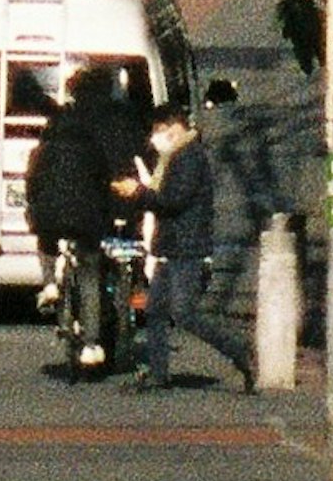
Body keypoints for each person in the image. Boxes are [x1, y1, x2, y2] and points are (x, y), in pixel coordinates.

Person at [23, 71, 125, 376]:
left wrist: (35, 210)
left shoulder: (44, 147)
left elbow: (32, 185)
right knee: (90, 272)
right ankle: (92, 345)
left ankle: (51, 284)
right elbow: (102, 183)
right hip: (86, 220)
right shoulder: (93, 146)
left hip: (49, 219)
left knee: (45, 238)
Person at [140, 105, 219, 393]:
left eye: (158, 130)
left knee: (184, 314)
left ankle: (239, 353)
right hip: (171, 245)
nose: (154, 137)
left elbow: (173, 200)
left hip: (188, 246)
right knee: (155, 311)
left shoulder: (189, 157)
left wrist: (139, 194)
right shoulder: (173, 157)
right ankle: (158, 375)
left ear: (174, 128)